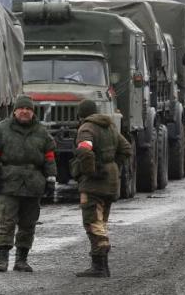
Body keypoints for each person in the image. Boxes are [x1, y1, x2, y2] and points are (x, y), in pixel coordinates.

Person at [0, 94, 57, 273]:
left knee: (28, 224)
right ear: (15, 111)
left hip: (33, 184)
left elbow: (49, 157)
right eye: (21, 108)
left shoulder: (42, 132)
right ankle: (2, 260)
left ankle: (21, 260)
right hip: (8, 183)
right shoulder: (1, 129)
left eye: (28, 109)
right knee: (5, 222)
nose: (25, 112)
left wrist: (51, 179)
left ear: (32, 112)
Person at [71, 100, 132, 278]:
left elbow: (84, 150)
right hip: (111, 181)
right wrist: (113, 165)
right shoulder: (110, 126)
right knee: (101, 221)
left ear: (80, 115)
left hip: (94, 183)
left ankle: (99, 266)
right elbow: (126, 149)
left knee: (92, 221)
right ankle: (101, 266)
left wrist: (90, 171)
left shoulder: (86, 128)